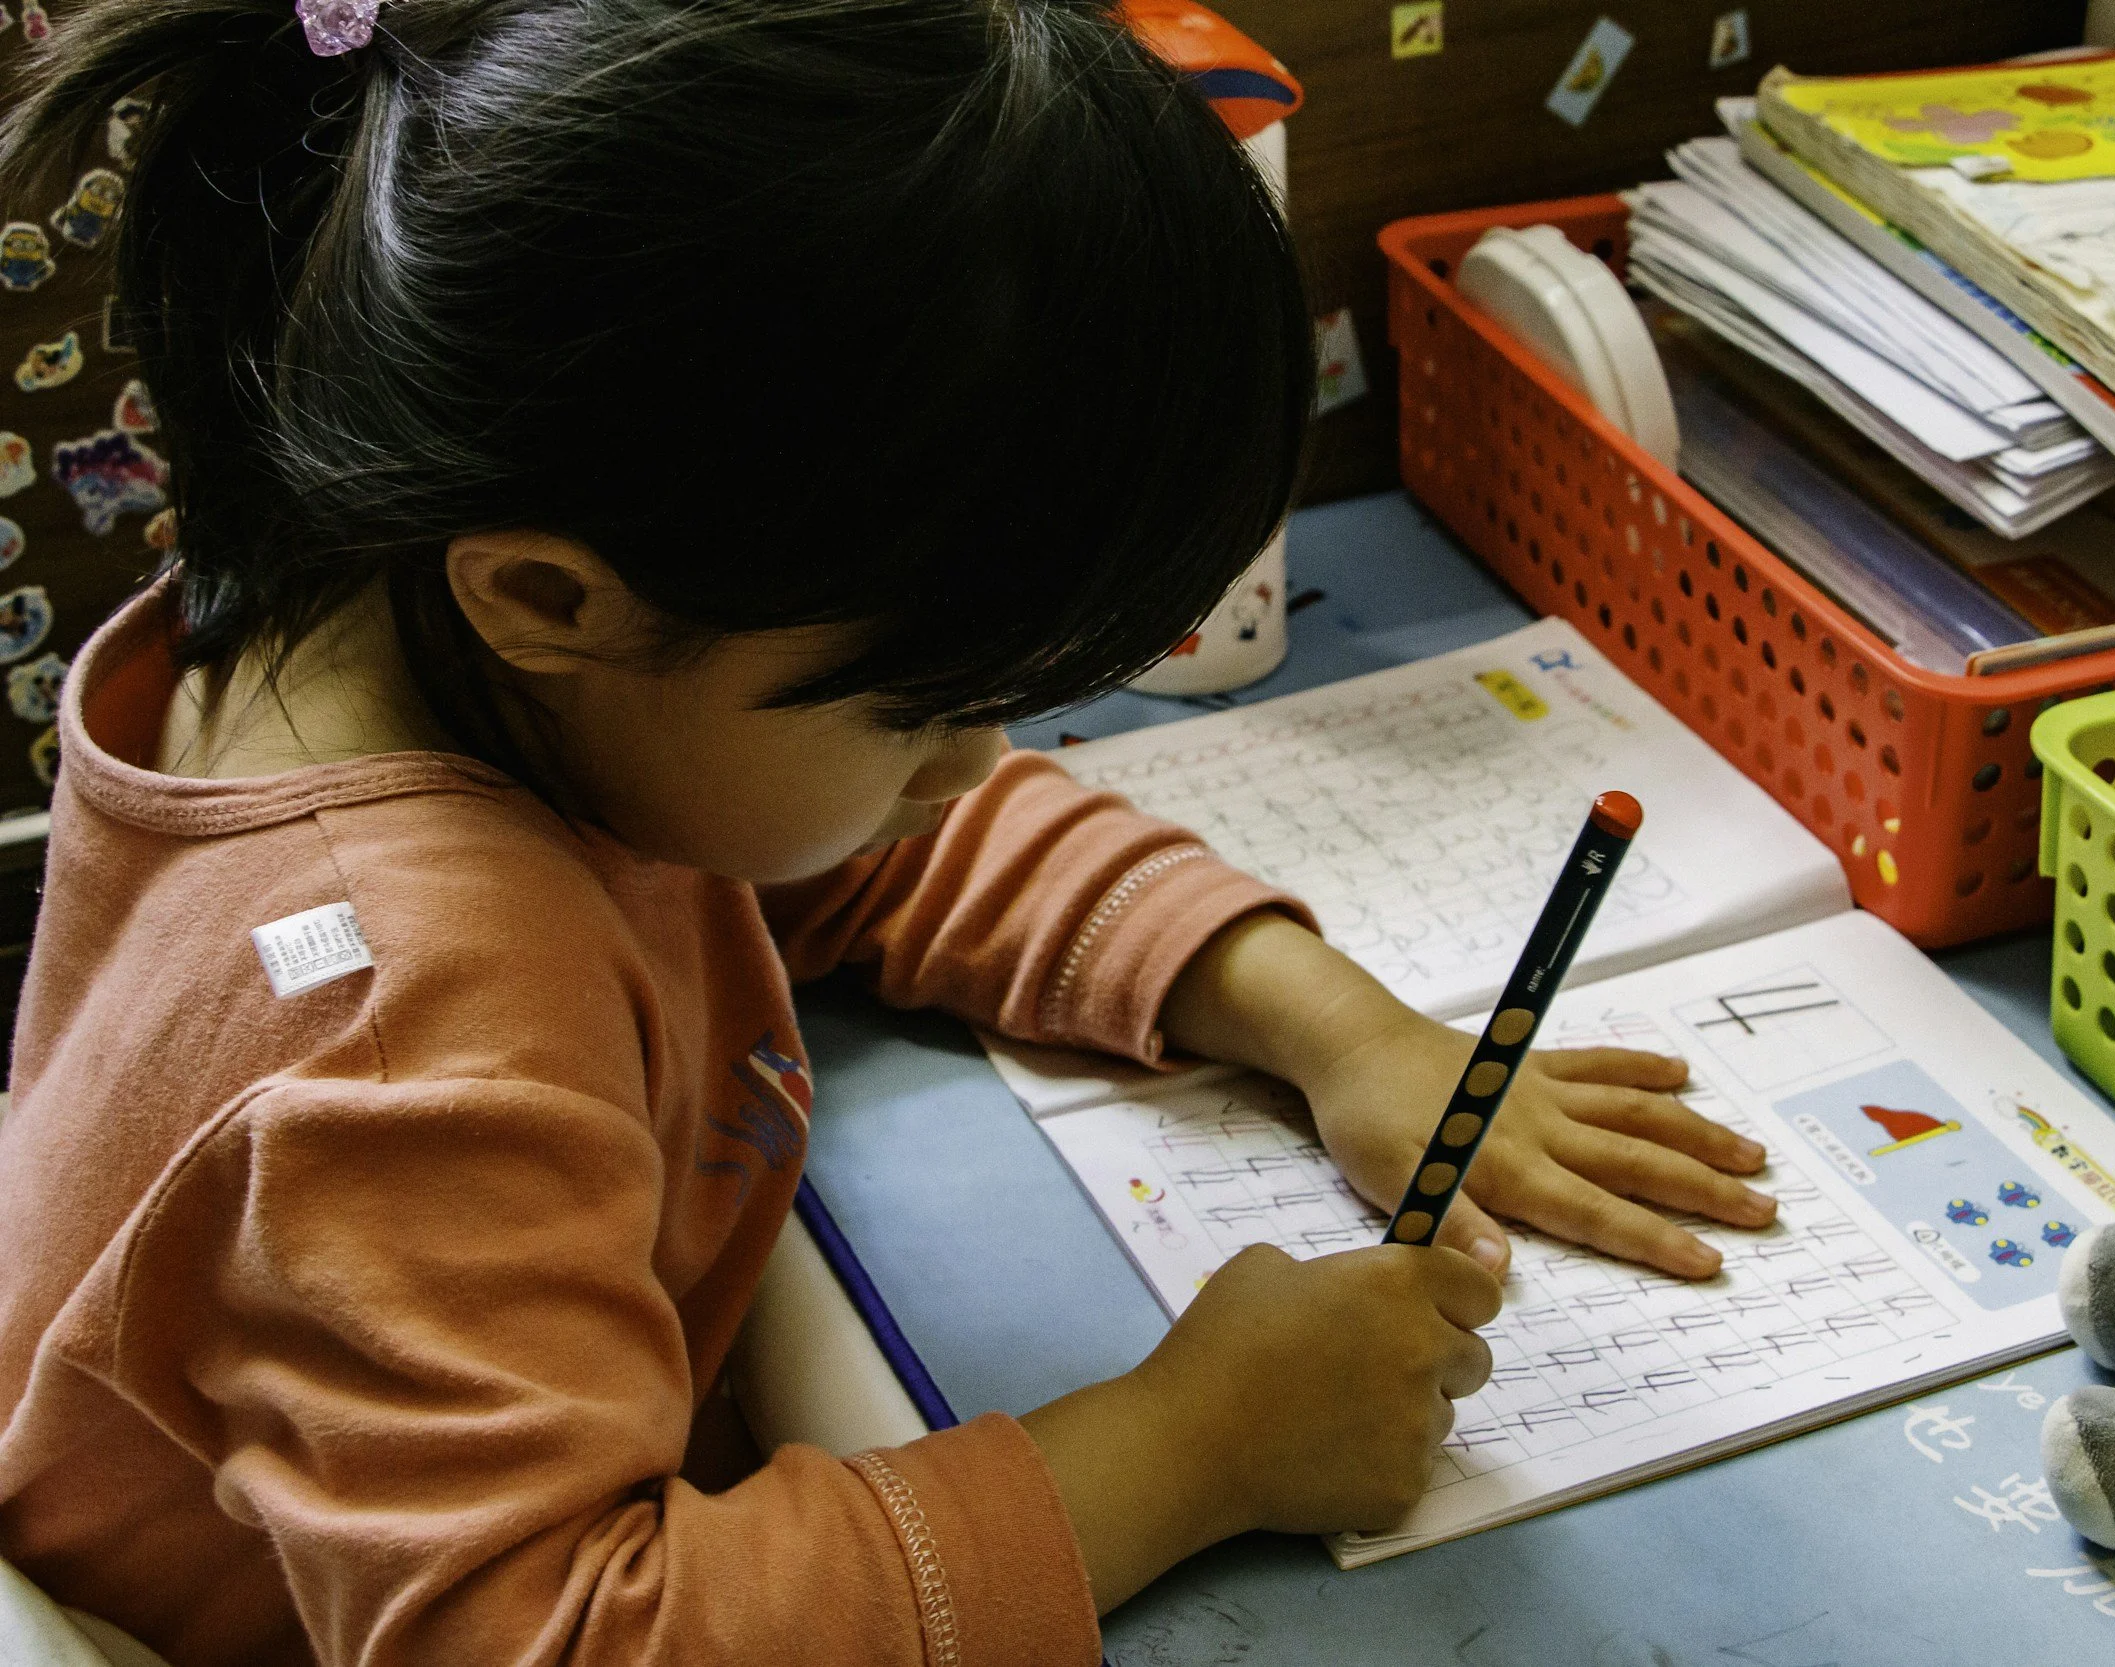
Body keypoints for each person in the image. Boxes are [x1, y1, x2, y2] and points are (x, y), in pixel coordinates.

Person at [0, 2, 1777, 1661]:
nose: (977, 756)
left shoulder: (397, 613)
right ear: (550, 590)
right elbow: (572, 1633)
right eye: (923, 703)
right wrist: (1191, 1443)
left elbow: (872, 838)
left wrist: (1333, 1025)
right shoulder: (411, 1035)